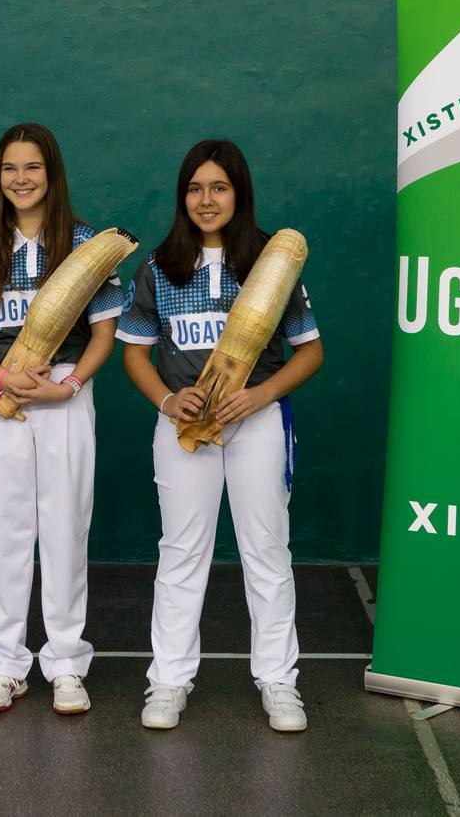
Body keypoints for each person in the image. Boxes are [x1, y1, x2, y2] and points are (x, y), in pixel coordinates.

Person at [116, 139, 323, 731]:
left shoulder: (270, 264)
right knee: (181, 552)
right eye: (195, 188)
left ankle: (279, 682)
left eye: (219, 187)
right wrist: (166, 398)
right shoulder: (159, 266)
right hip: (182, 427)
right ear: (183, 196)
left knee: (266, 550)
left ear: (240, 193)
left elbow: (311, 352)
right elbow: (134, 355)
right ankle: (169, 682)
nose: (206, 200)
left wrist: (260, 394)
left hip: (257, 423)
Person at [0, 123, 125, 715]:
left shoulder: (87, 243)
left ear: (52, 174)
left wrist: (69, 385)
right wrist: (2, 378)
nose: (20, 179)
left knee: (65, 527)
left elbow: (105, 334)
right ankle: (6, 664)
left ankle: (67, 663)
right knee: (2, 532)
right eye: (9, 169)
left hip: (63, 397)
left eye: (32, 168)